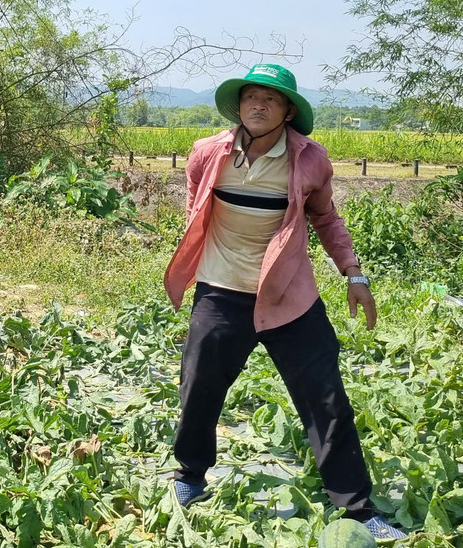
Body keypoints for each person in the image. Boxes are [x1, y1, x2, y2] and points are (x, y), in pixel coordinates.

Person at [161, 64, 409, 542]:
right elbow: (196, 207)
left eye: (270, 100)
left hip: (289, 297)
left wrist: (354, 273)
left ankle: (357, 510)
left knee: (325, 397)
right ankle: (190, 477)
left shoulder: (310, 160)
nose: (257, 105)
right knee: (199, 384)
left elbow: (327, 219)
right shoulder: (207, 153)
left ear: (288, 111)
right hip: (220, 290)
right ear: (238, 106)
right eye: (250, 97)